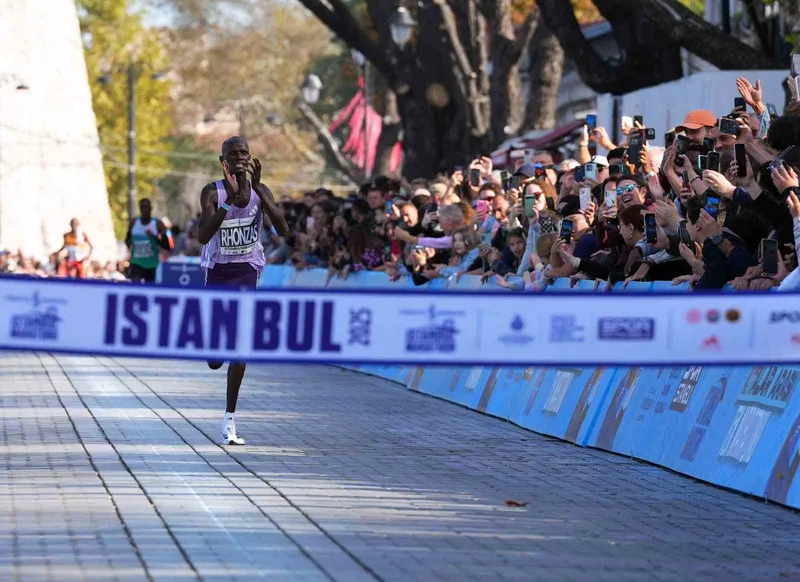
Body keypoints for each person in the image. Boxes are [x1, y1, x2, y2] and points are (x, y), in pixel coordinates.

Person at [197, 136, 289, 446]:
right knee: (214, 359)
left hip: (247, 271)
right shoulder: (212, 192)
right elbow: (203, 235)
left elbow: (284, 231)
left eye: (244, 153)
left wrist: (263, 196)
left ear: (250, 158)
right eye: (232, 154)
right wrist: (227, 202)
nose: (239, 158)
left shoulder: (262, 191)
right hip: (218, 272)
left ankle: (229, 420)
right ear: (222, 160)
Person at [125, 198, 173, 283]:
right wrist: (130, 245)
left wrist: (154, 237)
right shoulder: (134, 223)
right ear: (140, 209)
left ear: (151, 208)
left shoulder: (157, 224)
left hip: (151, 265)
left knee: (150, 288)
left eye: (146, 207)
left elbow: (167, 246)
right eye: (142, 207)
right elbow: (127, 239)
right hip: (136, 263)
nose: (144, 210)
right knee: (134, 287)